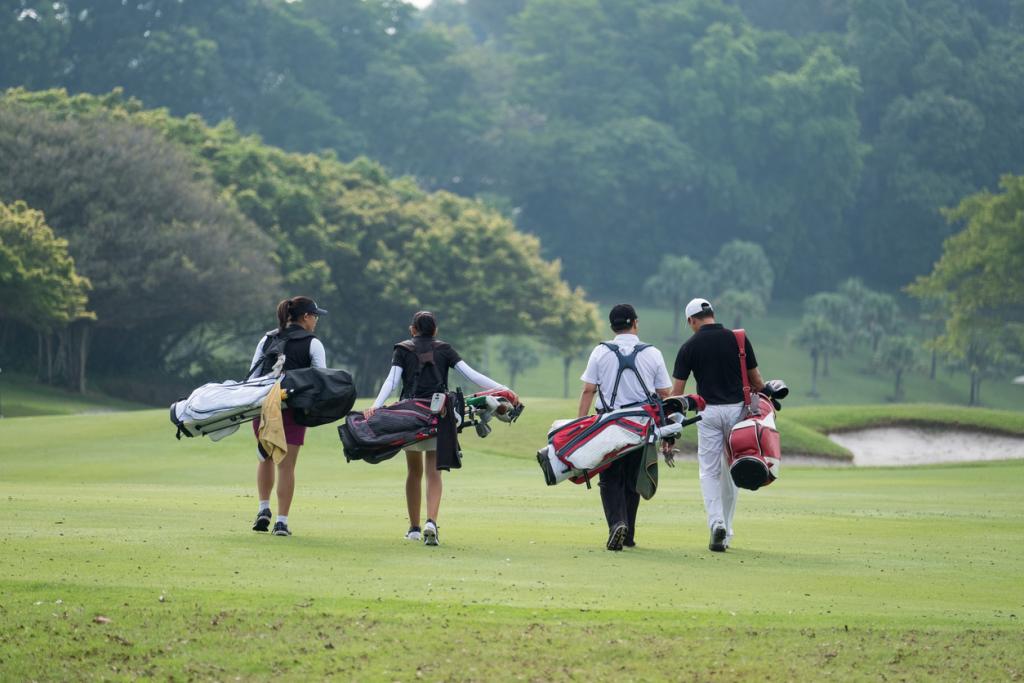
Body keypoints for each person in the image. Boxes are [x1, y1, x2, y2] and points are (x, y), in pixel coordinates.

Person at [364, 311, 514, 546]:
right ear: (435, 330)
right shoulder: (444, 349)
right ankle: (431, 522)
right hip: (438, 415)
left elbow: (392, 381)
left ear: (412, 329)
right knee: (434, 472)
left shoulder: (402, 349)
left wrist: (376, 406)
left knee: (414, 472)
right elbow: (471, 375)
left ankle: (413, 529)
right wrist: (503, 389)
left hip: (409, 415)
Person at [668, 297, 766, 552]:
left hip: (707, 413)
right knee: (732, 471)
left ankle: (716, 523)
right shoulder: (739, 339)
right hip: (737, 413)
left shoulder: (689, 346)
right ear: (712, 314)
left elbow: (676, 395)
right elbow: (757, 381)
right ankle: (728, 531)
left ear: (691, 320)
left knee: (709, 472)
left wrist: (670, 430)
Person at [578, 304, 672, 551]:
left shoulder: (600, 352)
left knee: (610, 478)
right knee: (633, 479)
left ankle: (616, 524)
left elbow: (589, 390)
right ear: (635, 323)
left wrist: (580, 425)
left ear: (612, 327)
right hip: (642, 426)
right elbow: (665, 393)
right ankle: (628, 533)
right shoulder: (653, 353)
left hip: (607, 425)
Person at [250, 296, 328, 537]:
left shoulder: (267, 338)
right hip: (293, 410)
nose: (316, 321)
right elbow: (322, 378)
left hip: (262, 407)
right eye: (315, 316)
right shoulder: (313, 343)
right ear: (305, 317)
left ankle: (263, 510)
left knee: (265, 457)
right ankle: (281, 522)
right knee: (287, 465)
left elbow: (252, 376)